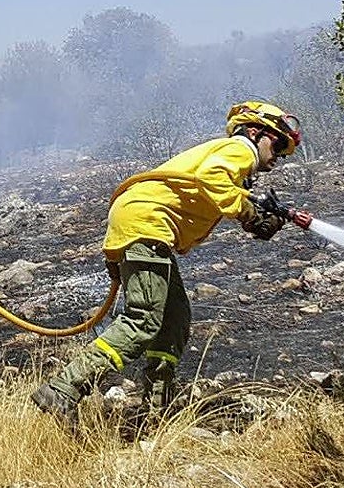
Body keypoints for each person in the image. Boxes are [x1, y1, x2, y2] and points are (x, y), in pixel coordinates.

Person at [30, 100, 303, 425]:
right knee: (144, 319)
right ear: (256, 132)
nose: (278, 156)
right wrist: (250, 214)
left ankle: (156, 409)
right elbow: (213, 177)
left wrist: (252, 213)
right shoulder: (240, 149)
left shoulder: (232, 161)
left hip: (144, 225)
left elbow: (214, 189)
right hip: (147, 224)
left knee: (174, 318)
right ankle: (63, 389)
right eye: (278, 144)